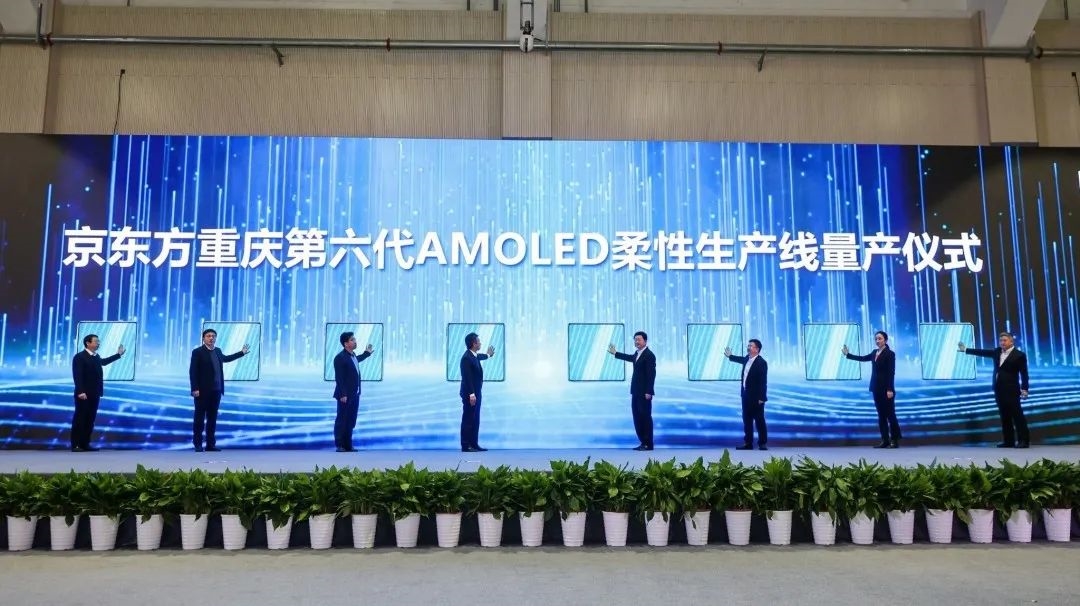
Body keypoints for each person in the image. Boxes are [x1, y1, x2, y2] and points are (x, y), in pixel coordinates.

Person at [959, 332, 1030, 448]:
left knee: (1017, 416)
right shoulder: (997, 352)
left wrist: (1025, 389)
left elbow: (1024, 373)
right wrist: (966, 350)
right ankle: (1009, 441)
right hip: (999, 389)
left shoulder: (1019, 355)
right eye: (1001, 340)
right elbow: (982, 352)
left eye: (1005, 340)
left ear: (1011, 341)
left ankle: (1024, 441)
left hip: (1012, 390)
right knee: (1004, 416)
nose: (1002, 342)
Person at [188, 329, 249, 452]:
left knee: (212, 419)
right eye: (208, 336)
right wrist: (194, 388)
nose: (211, 338)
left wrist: (241, 353)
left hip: (216, 391)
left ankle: (210, 445)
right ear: (203, 338)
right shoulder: (198, 352)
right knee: (199, 419)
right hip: (202, 392)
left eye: (213, 336)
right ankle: (198, 444)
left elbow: (226, 358)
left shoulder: (218, 351)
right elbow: (193, 371)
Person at [843, 331, 900, 448]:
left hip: (887, 390)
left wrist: (890, 389)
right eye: (876, 339)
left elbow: (891, 372)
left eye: (880, 338)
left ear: (885, 340)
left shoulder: (890, 354)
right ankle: (885, 440)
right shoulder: (874, 352)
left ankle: (894, 440)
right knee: (881, 415)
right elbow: (863, 358)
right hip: (876, 388)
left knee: (890, 415)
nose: (877, 341)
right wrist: (848, 355)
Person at [70, 334, 125, 452]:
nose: (98, 343)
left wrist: (118, 354)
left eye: (98, 341)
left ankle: (85, 444)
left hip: (95, 393)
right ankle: (76, 445)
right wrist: (80, 391)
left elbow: (103, 362)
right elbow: (77, 375)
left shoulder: (96, 356)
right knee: (80, 419)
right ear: (87, 343)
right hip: (83, 394)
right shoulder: (79, 357)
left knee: (90, 419)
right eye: (96, 341)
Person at [608, 331, 657, 451]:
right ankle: (643, 442)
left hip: (644, 393)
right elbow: (630, 358)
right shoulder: (637, 353)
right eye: (635, 339)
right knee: (637, 417)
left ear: (645, 341)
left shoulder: (649, 355)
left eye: (639, 339)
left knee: (645, 417)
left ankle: (648, 444)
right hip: (635, 391)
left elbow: (651, 375)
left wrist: (649, 391)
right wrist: (616, 353)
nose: (636, 342)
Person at [332, 331, 374, 452]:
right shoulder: (339, 358)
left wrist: (366, 354)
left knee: (350, 420)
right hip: (345, 395)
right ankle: (340, 445)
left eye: (354, 339)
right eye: (352, 340)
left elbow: (356, 360)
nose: (355, 341)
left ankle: (348, 445)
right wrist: (343, 394)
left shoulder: (353, 355)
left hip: (355, 394)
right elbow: (339, 378)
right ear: (346, 344)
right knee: (342, 420)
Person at [724, 339, 769, 451]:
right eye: (748, 346)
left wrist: (762, 398)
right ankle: (748, 443)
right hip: (745, 395)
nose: (748, 347)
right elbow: (740, 359)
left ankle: (762, 443)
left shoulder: (761, 363)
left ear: (757, 349)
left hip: (757, 398)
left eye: (751, 346)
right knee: (747, 420)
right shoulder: (746, 359)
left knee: (759, 420)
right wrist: (730, 356)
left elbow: (763, 382)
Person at [459, 332, 495, 453]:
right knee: (468, 419)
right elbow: (467, 378)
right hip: (470, 394)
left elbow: (480, 356)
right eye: (479, 341)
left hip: (476, 393)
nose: (480, 343)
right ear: (473, 344)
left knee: (475, 419)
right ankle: (466, 445)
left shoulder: (473, 356)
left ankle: (474, 444)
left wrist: (488, 355)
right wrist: (471, 394)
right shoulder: (466, 358)